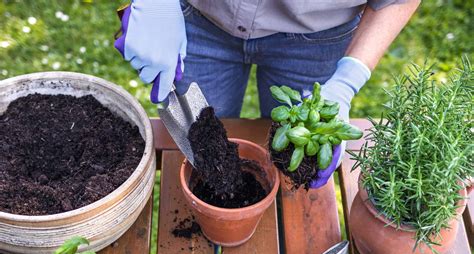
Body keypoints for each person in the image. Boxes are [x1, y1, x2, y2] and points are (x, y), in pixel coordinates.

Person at [115, 0, 420, 188]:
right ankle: (214, 244)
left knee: (292, 170)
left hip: (317, 36)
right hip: (200, 17)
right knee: (204, 154)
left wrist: (346, 82)